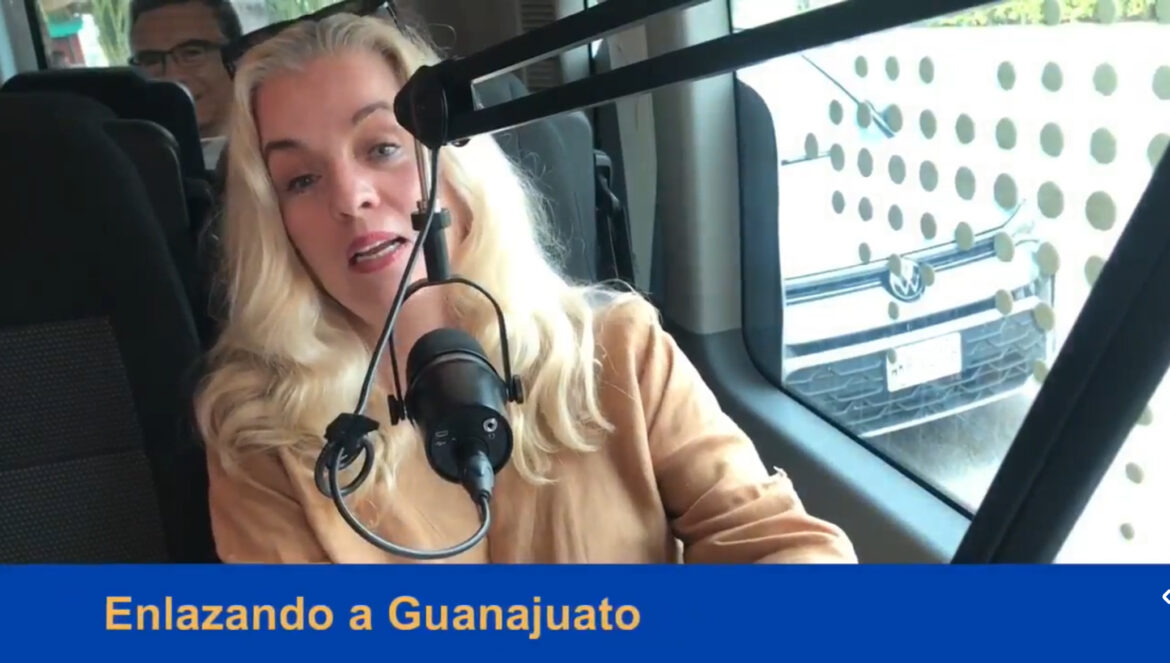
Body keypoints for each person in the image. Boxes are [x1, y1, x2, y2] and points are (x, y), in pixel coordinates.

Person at [193, 12, 857, 564]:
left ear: (457, 168)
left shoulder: (619, 348)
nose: (349, 196)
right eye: (301, 180)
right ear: (276, 224)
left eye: (382, 148)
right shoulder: (259, 437)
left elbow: (779, 543)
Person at [128, 0, 241, 165]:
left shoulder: (273, 149)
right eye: (151, 61)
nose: (173, 76)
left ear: (237, 56)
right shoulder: (127, 168)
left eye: (192, 53)